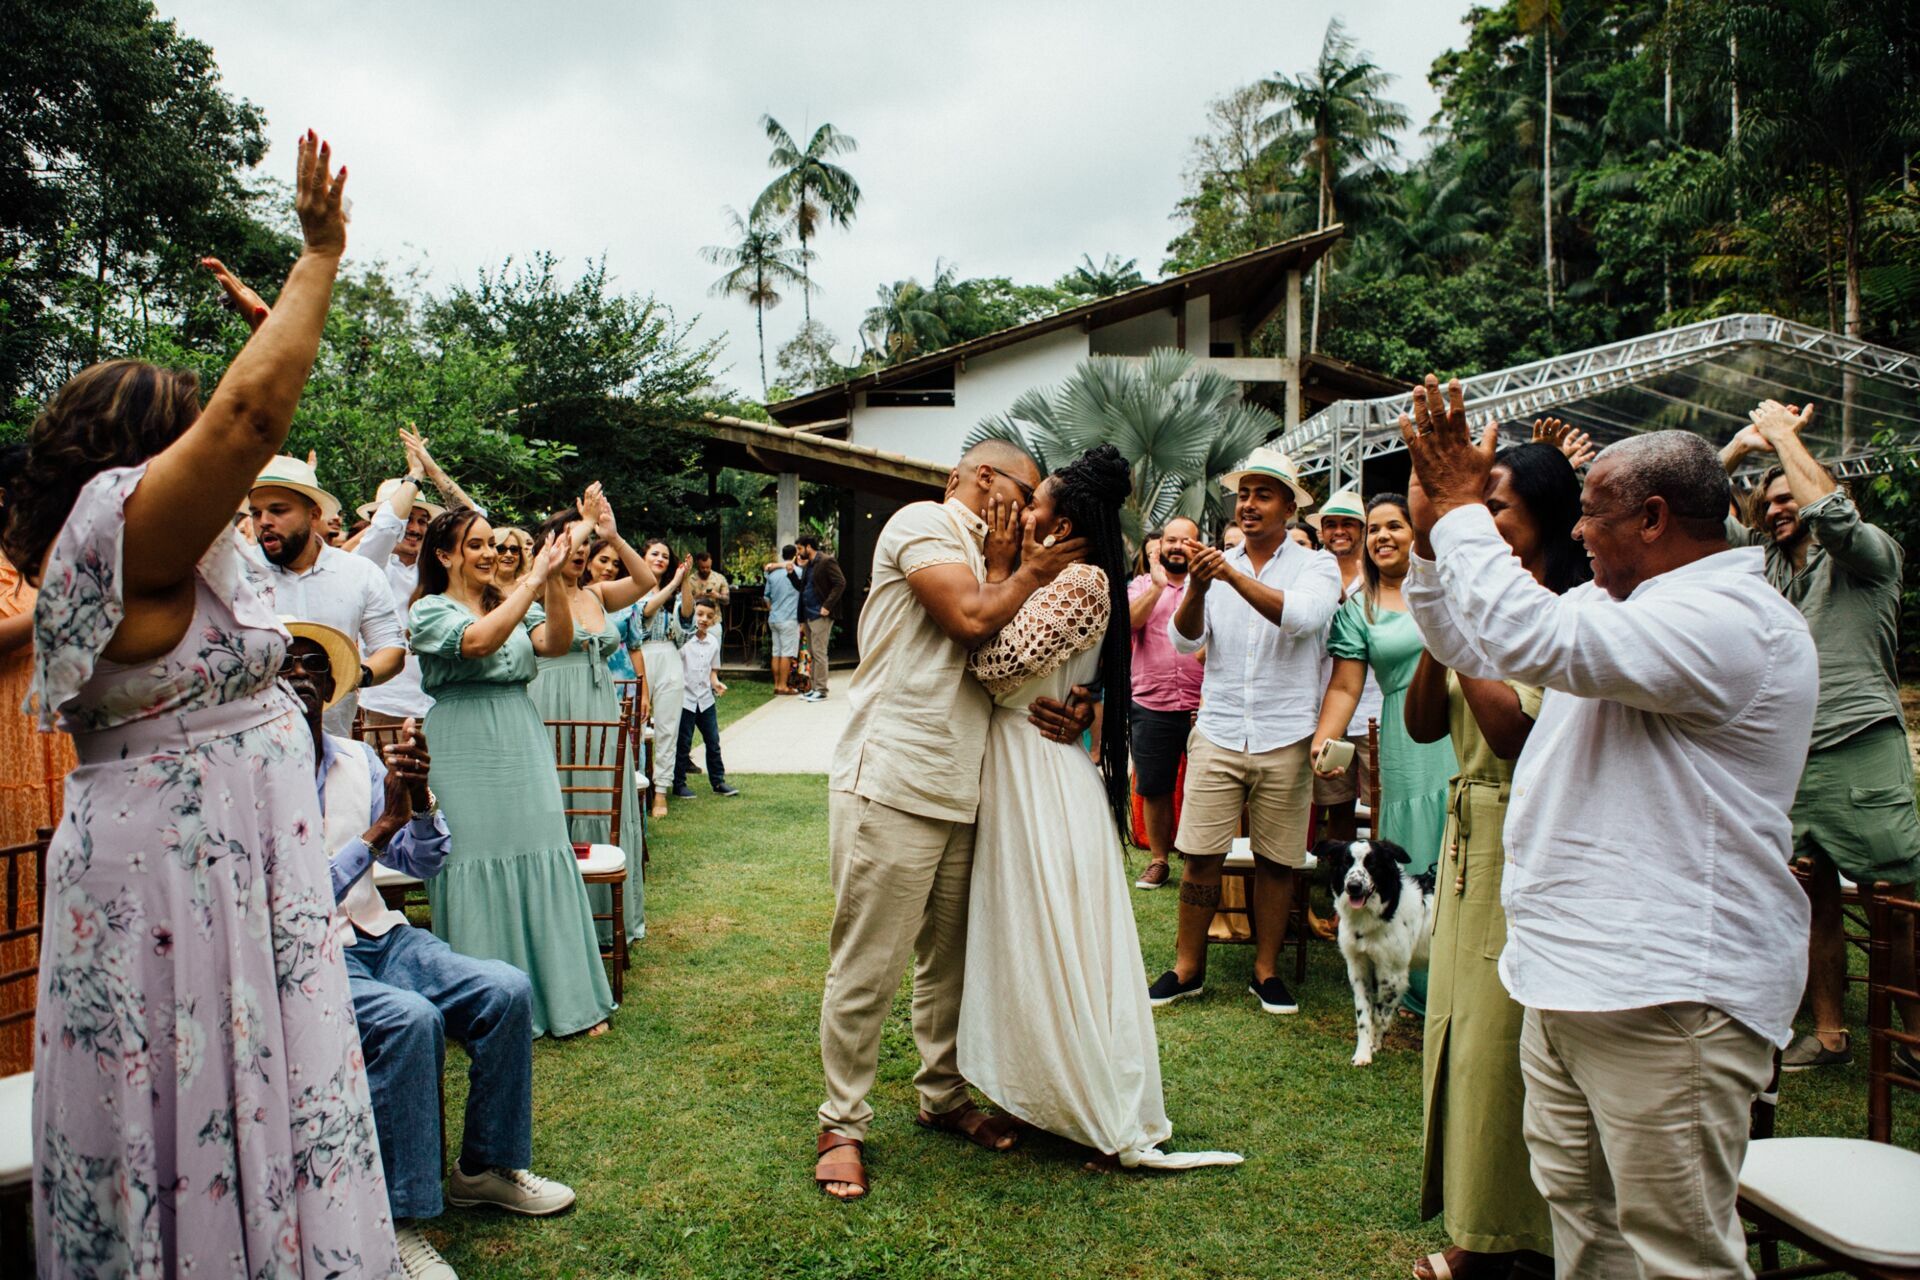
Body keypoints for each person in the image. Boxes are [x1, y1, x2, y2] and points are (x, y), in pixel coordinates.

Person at [9, 134, 403, 1278]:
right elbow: (244, 426)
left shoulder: (161, 546)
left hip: (222, 872)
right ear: (140, 455)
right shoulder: (126, 536)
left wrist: (268, 320)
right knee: (181, 1114)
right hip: (180, 887)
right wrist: (320, 254)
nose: (206, 450)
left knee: (238, 1115)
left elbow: (239, 424)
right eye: (176, 430)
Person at [1400, 376, 1816, 1280]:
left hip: (1670, 990)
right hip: (1570, 975)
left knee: (1678, 1254)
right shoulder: (1615, 604)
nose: (1577, 531)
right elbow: (1474, 642)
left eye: (1592, 512)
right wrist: (1435, 541)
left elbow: (1532, 645)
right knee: (1584, 1229)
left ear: (1655, 517)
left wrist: (1469, 509)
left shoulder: (1733, 620)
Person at [814, 440, 1093, 1201]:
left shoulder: (1011, 555)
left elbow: (1030, 656)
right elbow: (972, 620)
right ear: (978, 479)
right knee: (869, 961)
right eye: (1029, 491)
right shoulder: (922, 525)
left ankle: (941, 1094)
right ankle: (842, 1122)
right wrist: (1026, 570)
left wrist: (1080, 700)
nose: (1040, 511)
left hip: (972, 783)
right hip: (897, 773)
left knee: (950, 961)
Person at [959, 445, 1241, 1171]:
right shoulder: (1064, 578)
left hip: (1042, 778)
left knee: (1058, 943)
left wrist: (1000, 572)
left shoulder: (1080, 583)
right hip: (1025, 767)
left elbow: (992, 668)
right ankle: (1043, 1088)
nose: (1022, 513)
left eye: (1036, 505)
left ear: (1067, 523)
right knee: (1029, 940)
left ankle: (1086, 1100)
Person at [284, 620, 572, 1280]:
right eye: (284, 666)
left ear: (333, 688)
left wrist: (415, 806)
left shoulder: (357, 758)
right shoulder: (248, 779)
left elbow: (425, 862)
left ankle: (485, 1167)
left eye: (313, 667)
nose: (300, 675)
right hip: (304, 957)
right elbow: (288, 904)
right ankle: (399, 1220)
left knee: (505, 990)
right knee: (410, 1022)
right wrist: (379, 828)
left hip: (381, 935)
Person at [1400, 441, 1590, 1280]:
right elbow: (1421, 725)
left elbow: (1514, 734)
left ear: (1543, 519)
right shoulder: (1472, 609)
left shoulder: (1561, 617)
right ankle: (1483, 1224)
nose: (1475, 520)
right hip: (1465, 828)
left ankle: (1503, 1238)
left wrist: (1467, 622)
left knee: (1501, 1044)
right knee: (1458, 1032)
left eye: (1496, 507)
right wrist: (1442, 621)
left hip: (1526, 834)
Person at [1721, 400, 1920, 1073]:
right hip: (1787, 760)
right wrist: (1738, 451)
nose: (1780, 508)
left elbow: (1833, 516)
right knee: (1814, 898)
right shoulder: (1765, 570)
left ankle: (1917, 1039)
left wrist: (1782, 439)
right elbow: (1699, 520)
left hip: (1859, 747)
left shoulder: (1870, 557)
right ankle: (1831, 1035)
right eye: (1768, 500)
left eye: (1790, 496)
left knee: (1897, 902)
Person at [1148, 448, 1342, 1014]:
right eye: (1243, 494)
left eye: (1262, 494)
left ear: (1288, 505)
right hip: (1220, 727)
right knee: (1200, 855)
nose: (1248, 504)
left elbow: (1302, 619)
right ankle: (1188, 968)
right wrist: (1203, 589)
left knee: (1277, 860)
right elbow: (1186, 642)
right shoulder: (1215, 567)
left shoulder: (1316, 566)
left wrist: (1228, 574)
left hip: (1285, 732)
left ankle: (1265, 972)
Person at [409, 509, 616, 1038]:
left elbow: (555, 643)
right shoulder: (429, 610)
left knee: (542, 851)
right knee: (472, 858)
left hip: (521, 736)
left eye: (490, 544)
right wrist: (531, 579)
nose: (486, 553)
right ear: (444, 555)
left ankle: (568, 997)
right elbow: (477, 643)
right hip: (462, 742)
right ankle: (484, 1003)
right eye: (474, 545)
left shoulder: (508, 601)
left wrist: (548, 587)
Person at [1311, 493, 1456, 1017]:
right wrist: (1325, 739)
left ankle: (1471, 968)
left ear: (1417, 532)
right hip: (1407, 738)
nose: (1382, 536)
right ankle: (1419, 974)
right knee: (1418, 850)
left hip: (1466, 723)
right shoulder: (1358, 610)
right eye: (1373, 529)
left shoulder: (1446, 586)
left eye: (1394, 525)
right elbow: (1346, 688)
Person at [526, 489, 659, 946]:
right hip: (551, 706)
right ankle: (563, 921)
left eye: (586, 548)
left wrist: (613, 537)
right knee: (561, 800)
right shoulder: (533, 594)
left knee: (603, 802)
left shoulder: (598, 594)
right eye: (574, 546)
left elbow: (644, 582)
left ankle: (608, 917)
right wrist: (579, 524)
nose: (581, 555)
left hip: (599, 707)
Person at [248, 452, 407, 734]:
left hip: (332, 743)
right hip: (250, 745)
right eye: (256, 513)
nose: (264, 521)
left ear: (314, 514)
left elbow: (391, 649)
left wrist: (355, 675)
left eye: (278, 510)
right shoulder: (236, 574)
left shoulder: (360, 572)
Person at [354, 427, 475, 731]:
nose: (416, 528)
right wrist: (414, 476)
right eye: (408, 518)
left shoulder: (440, 565)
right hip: (384, 702)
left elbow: (474, 522)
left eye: (424, 520)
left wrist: (430, 468)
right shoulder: (366, 563)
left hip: (440, 702)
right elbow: (383, 531)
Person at [1126, 515, 1205, 891]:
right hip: (1151, 702)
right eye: (1170, 540)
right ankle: (1159, 860)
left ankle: (1200, 853)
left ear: (1197, 545)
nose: (1175, 547)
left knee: (1204, 783)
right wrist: (1156, 588)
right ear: (1160, 546)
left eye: (1184, 541)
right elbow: (1129, 624)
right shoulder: (1141, 585)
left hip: (1203, 704)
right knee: (1154, 786)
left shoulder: (1209, 587)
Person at [1305, 489, 1381, 850]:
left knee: (1380, 802)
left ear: (1362, 529)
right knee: (1335, 803)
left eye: (1347, 524)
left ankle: (1383, 883)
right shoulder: (1310, 574)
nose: (1338, 531)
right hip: (1325, 709)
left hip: (1374, 708)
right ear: (1320, 531)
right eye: (1330, 524)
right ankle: (1338, 884)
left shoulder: (1381, 573)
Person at [621, 539, 691, 818]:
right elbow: (645, 612)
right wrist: (673, 583)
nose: (661, 558)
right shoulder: (630, 588)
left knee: (667, 726)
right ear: (643, 557)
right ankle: (634, 786)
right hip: (638, 658)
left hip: (669, 656)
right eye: (655, 554)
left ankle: (661, 790)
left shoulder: (674, 592)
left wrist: (684, 582)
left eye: (665, 555)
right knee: (634, 725)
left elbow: (687, 619)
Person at [672, 596, 739, 798]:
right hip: (686, 700)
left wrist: (716, 683)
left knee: (713, 741)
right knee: (684, 743)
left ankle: (718, 782)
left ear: (714, 619)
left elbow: (712, 672)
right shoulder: (684, 641)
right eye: (699, 614)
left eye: (709, 616)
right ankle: (679, 784)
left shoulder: (713, 642)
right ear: (692, 615)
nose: (703, 619)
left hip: (706, 700)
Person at [794, 532, 846, 702]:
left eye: (800, 548)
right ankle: (815, 688)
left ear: (809, 547)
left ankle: (821, 689)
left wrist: (827, 606)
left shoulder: (826, 561)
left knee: (819, 652)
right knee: (812, 652)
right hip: (809, 613)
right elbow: (803, 589)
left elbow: (840, 583)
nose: (798, 552)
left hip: (820, 613)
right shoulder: (809, 564)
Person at [764, 544, 802, 694]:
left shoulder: (772, 575)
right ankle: (783, 685)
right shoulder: (798, 572)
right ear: (794, 555)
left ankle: (776, 684)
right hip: (789, 618)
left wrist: (771, 609)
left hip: (774, 618)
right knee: (786, 652)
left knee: (776, 652)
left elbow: (766, 597)